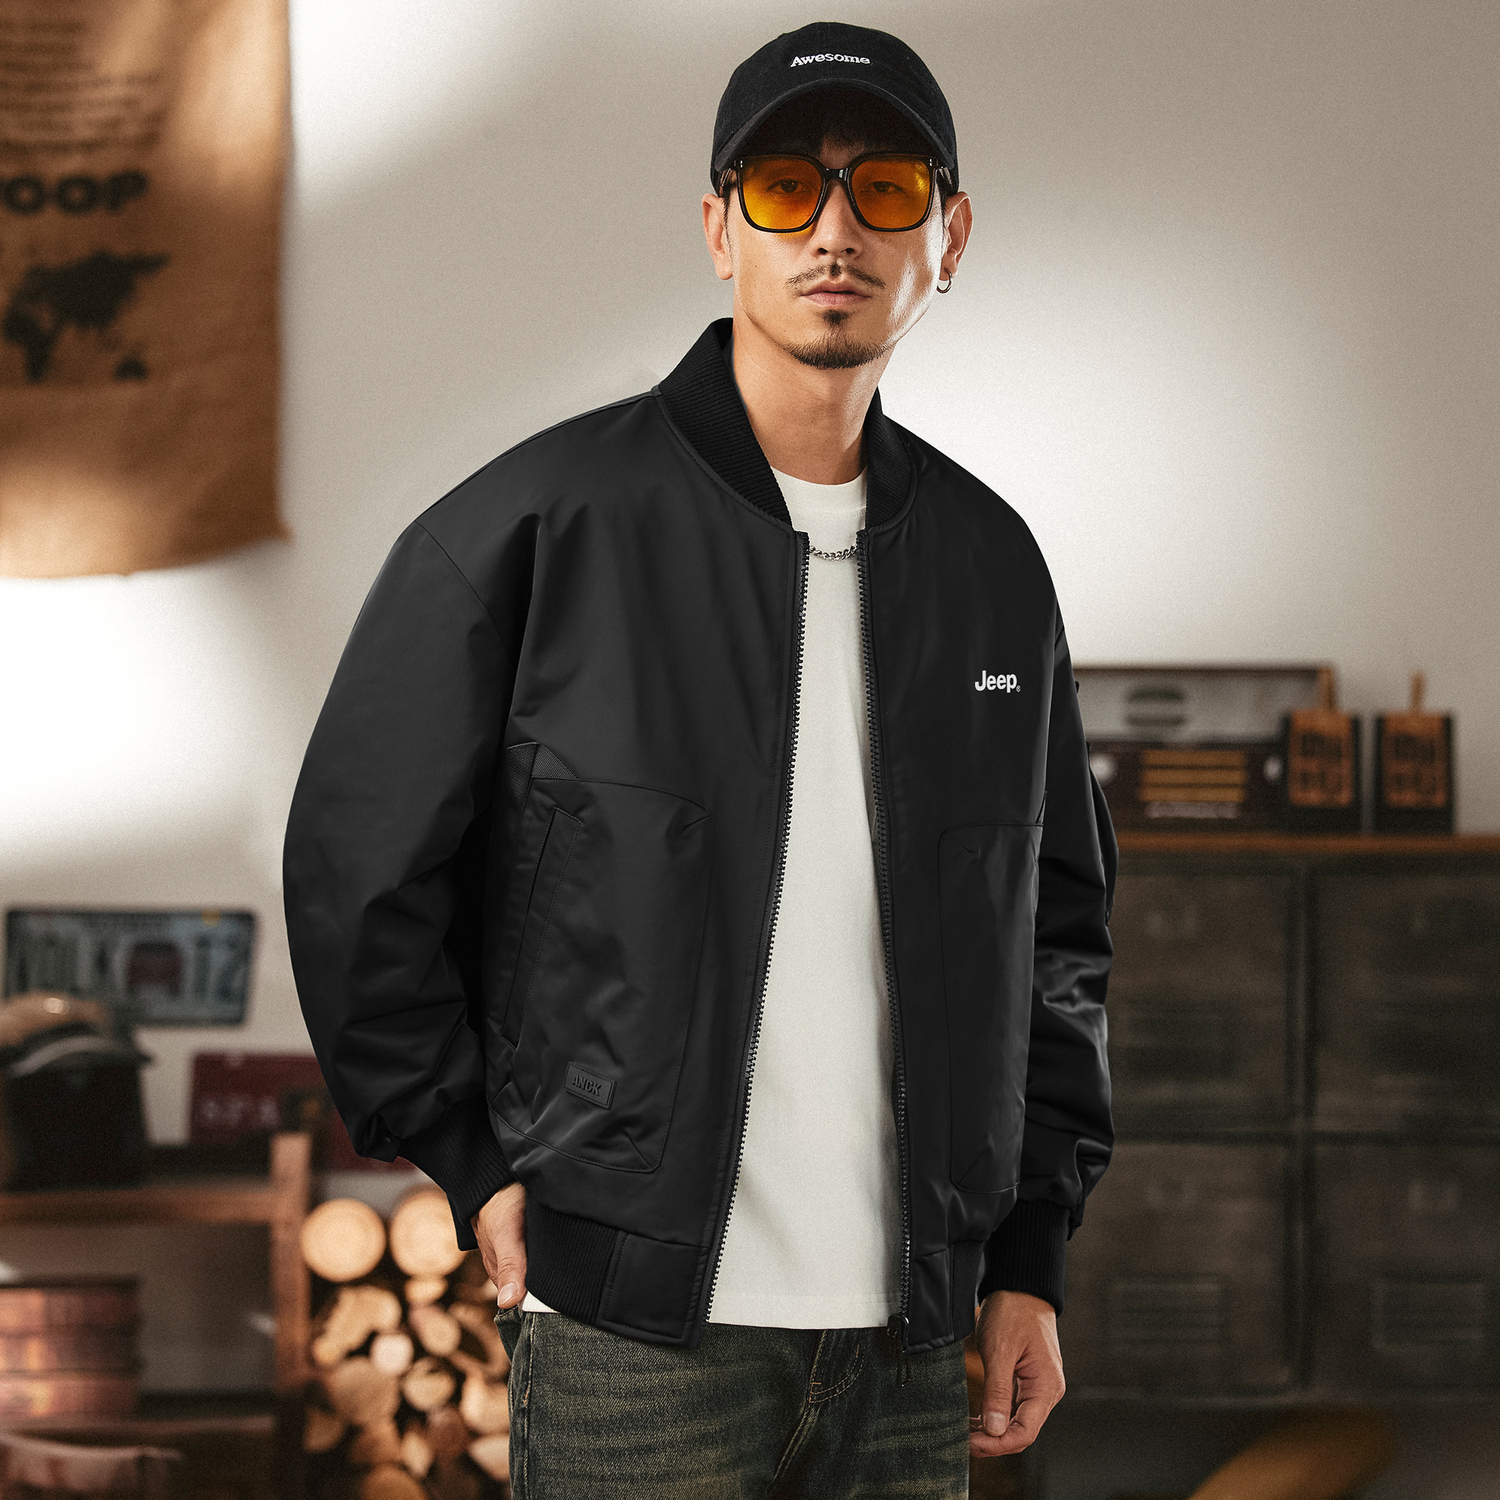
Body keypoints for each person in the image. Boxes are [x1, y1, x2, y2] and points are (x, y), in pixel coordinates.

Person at [285, 20, 1115, 1498]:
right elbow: (360, 865)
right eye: (788, 188)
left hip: (913, 1341)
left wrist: (1029, 1256)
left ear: (950, 238)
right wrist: (473, 1156)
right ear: (723, 230)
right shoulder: (537, 527)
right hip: (633, 1341)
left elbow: (1056, 935)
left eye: (888, 189)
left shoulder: (993, 569)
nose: (837, 232)